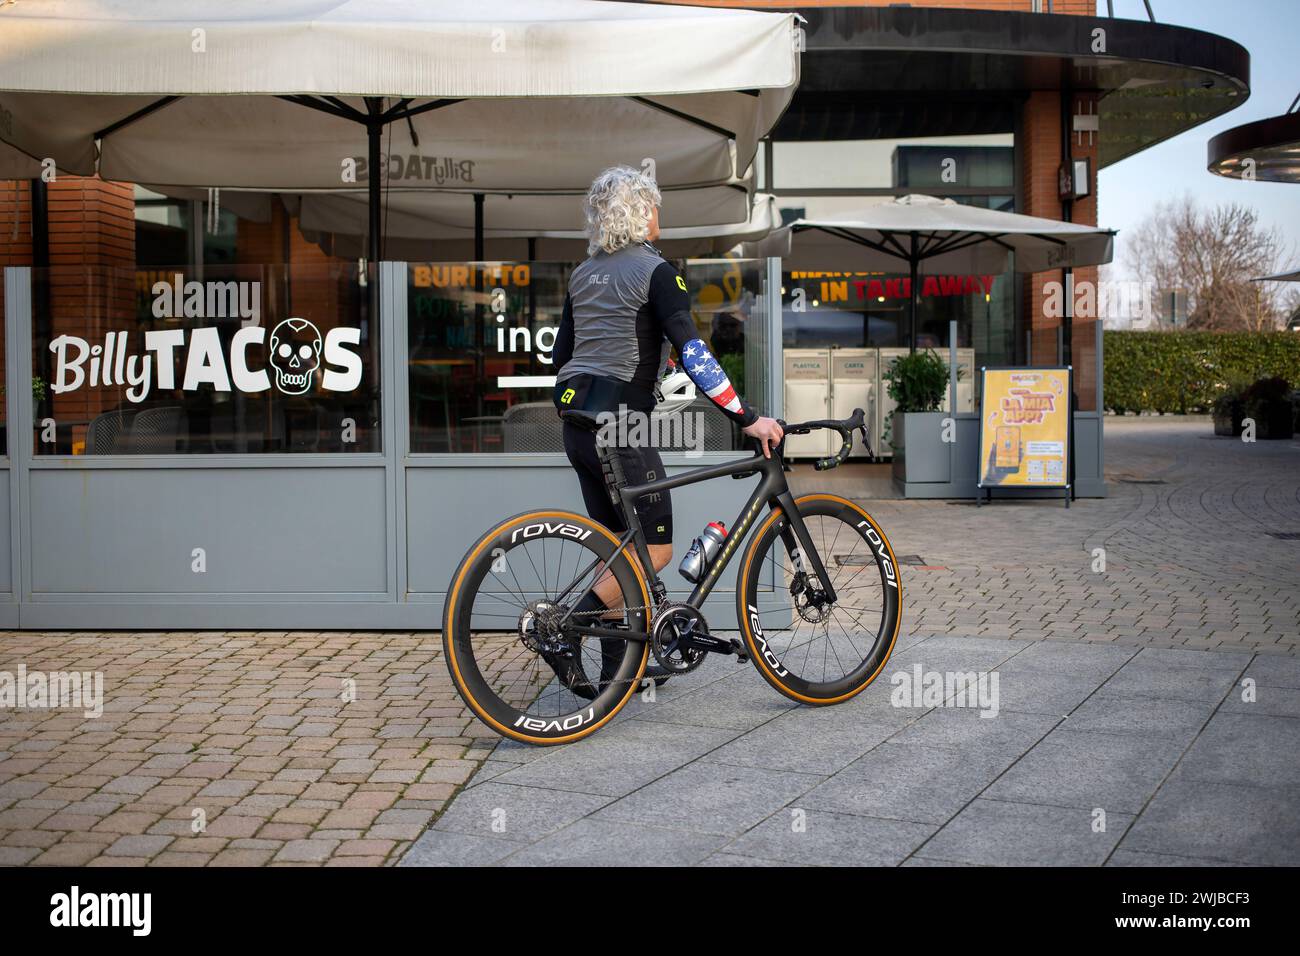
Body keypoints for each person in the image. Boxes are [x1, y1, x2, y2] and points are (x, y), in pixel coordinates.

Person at [548, 166, 784, 697]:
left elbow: (562, 355)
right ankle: (564, 633)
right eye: (654, 205)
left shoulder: (584, 274)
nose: (660, 216)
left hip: (577, 424)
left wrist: (646, 358)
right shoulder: (657, 271)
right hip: (622, 426)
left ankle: (616, 679)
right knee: (652, 553)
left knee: (617, 550)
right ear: (639, 213)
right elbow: (695, 350)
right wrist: (746, 416)